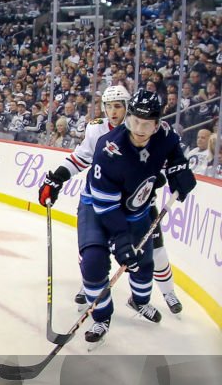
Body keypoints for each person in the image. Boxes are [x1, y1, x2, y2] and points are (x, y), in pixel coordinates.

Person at [39, 85, 184, 315]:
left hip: (139, 203)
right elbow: (79, 159)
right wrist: (57, 178)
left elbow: (166, 160)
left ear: (128, 108)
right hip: (103, 199)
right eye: (108, 106)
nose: (112, 112)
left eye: (118, 106)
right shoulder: (97, 131)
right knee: (94, 249)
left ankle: (166, 293)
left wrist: (169, 174)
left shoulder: (150, 131)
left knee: (154, 250)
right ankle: (90, 285)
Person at [75, 89, 196, 347]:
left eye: (147, 124)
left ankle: (139, 301)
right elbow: (105, 204)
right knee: (94, 261)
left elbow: (174, 152)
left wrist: (179, 170)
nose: (140, 129)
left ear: (158, 124)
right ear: (129, 118)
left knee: (144, 264)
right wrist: (121, 239)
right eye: (135, 122)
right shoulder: (109, 148)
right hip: (97, 208)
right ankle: (102, 317)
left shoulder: (165, 135)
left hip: (136, 210)